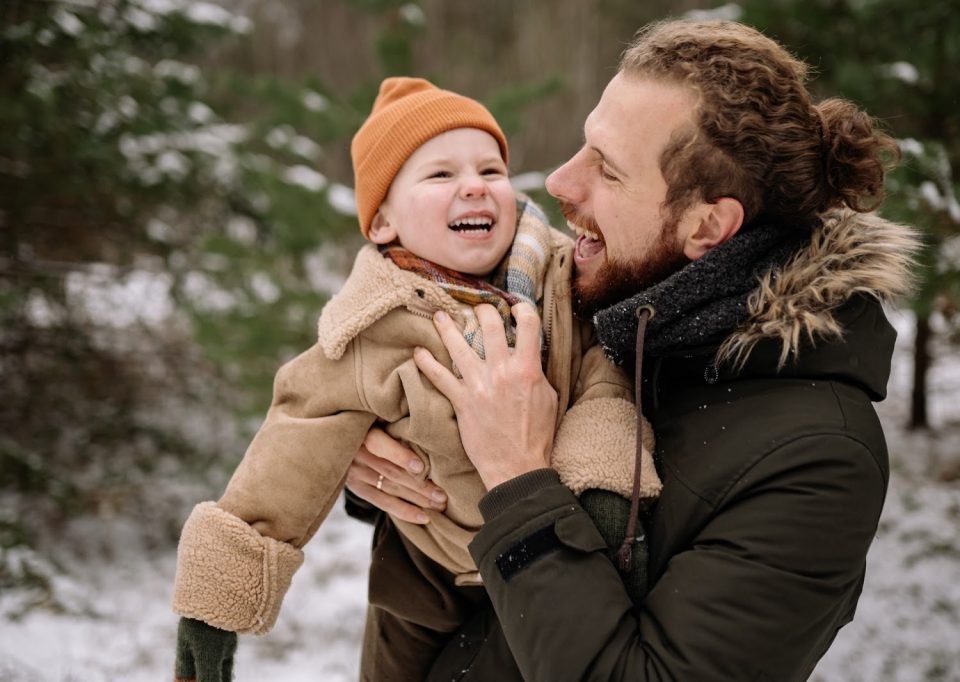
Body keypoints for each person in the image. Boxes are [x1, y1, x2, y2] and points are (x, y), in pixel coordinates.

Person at [354, 19, 921, 681]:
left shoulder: (818, 460)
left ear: (708, 225)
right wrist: (389, 457)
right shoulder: (585, 301)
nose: (561, 181)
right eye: (584, 145)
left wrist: (517, 481)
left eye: (609, 171)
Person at [169, 77, 660, 682]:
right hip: (426, 576)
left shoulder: (562, 283)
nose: (475, 185)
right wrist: (213, 606)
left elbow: (604, 383)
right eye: (440, 176)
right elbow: (290, 446)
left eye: (490, 169)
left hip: (554, 548)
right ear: (382, 224)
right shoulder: (372, 328)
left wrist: (610, 496)